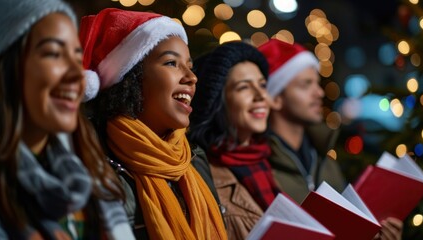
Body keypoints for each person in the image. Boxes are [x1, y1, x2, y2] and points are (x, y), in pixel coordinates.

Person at [80, 8, 227, 239]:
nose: (191, 77)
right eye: (171, 63)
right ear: (129, 78)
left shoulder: (195, 159)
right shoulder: (90, 167)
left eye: (190, 66)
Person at [0, 0, 134, 239]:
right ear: (7, 67)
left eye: (76, 56)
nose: (77, 75)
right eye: (53, 53)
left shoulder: (91, 177)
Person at [258, 39, 402, 240]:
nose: (319, 92)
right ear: (275, 97)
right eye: (305, 84)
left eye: (317, 83)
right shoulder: (258, 167)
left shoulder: (324, 157)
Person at [188, 41, 282, 239]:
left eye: (262, 85)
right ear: (218, 103)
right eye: (243, 87)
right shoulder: (202, 175)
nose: (260, 96)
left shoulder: (271, 158)